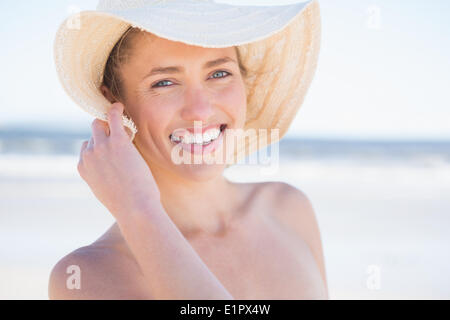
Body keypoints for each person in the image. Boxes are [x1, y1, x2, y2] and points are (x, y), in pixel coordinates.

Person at [49, 0, 327, 299]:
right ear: (114, 103)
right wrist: (138, 211)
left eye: (219, 73)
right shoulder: (88, 276)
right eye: (164, 82)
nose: (200, 110)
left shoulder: (288, 209)